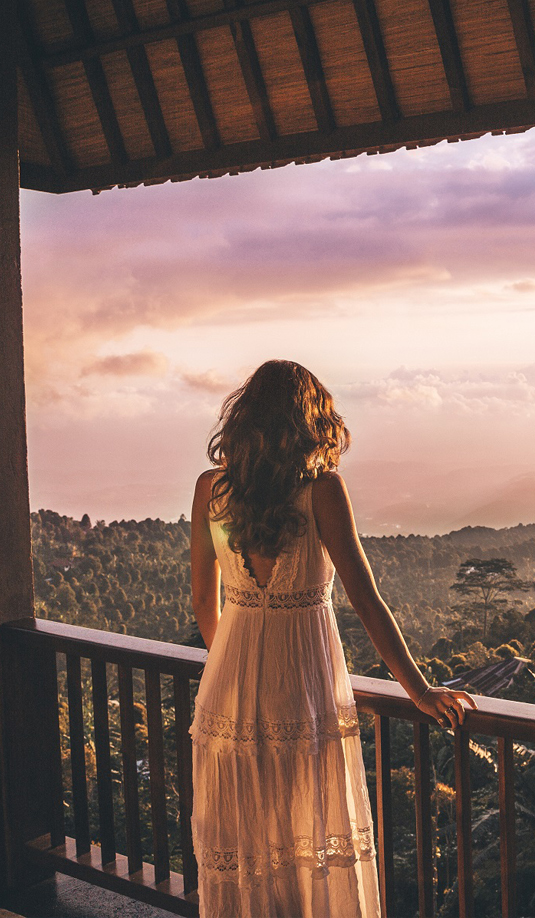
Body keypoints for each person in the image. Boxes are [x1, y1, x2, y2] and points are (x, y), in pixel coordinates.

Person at [188, 360, 475, 917]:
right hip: (300, 684)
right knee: (305, 842)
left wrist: (234, 667)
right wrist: (419, 692)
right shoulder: (321, 490)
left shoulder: (210, 489)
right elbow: (365, 600)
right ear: (311, 420)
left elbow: (204, 600)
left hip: (226, 687)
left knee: (247, 845)